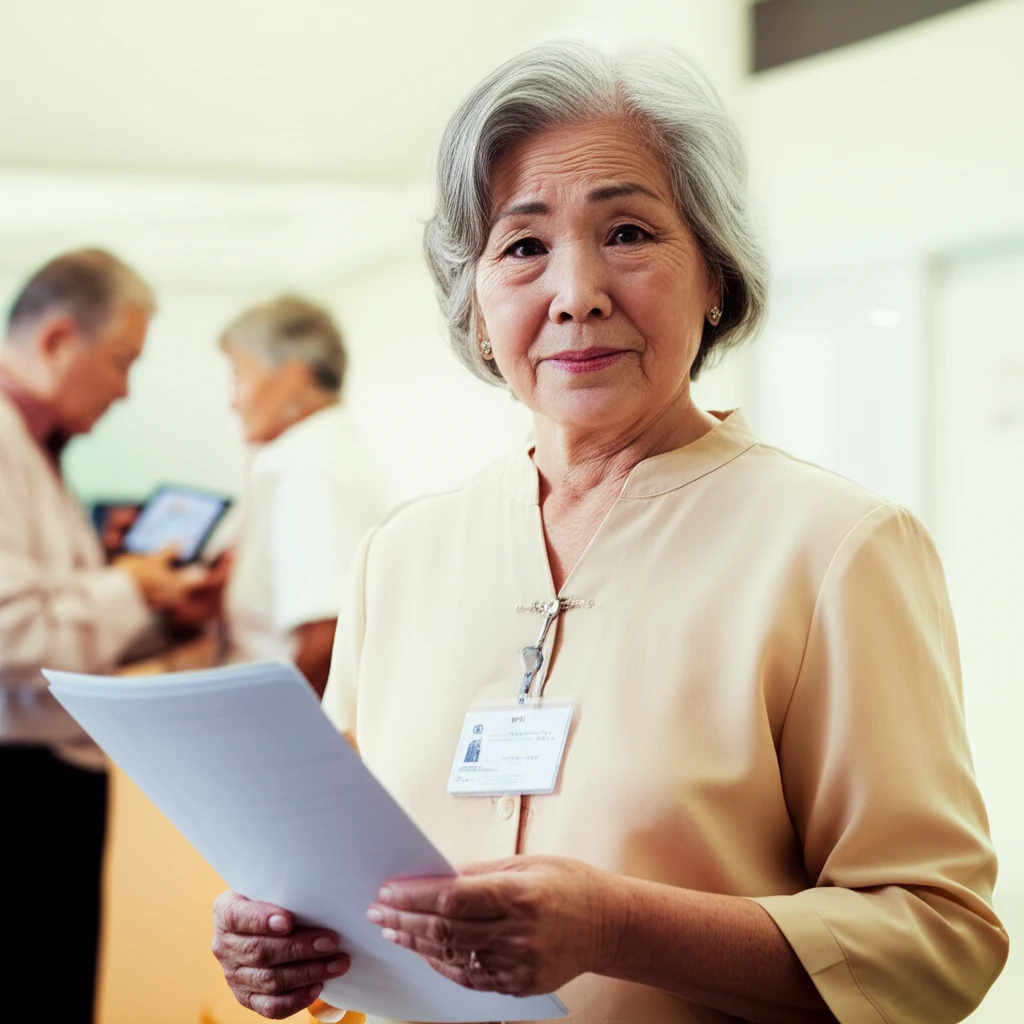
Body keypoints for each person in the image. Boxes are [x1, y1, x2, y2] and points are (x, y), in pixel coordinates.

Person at [211, 42, 1009, 1023]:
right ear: (475, 302)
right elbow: (329, 873)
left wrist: (620, 927)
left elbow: (938, 942)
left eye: (627, 232)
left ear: (714, 274)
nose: (576, 291)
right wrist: (276, 943)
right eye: (522, 246)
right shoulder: (401, 556)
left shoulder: (835, 546)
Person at [0, 248, 211, 1023]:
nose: (124, 391)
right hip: (19, 782)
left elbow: (57, 626)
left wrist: (161, 618)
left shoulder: (36, 450)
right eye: (122, 362)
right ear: (57, 340)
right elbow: (10, 630)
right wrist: (130, 586)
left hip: (47, 775)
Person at [218, 296, 382, 696]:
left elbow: (325, 638)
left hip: (273, 728)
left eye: (239, 376)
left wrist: (267, 733)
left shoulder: (309, 468)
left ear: (292, 377)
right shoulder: (319, 457)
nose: (232, 401)